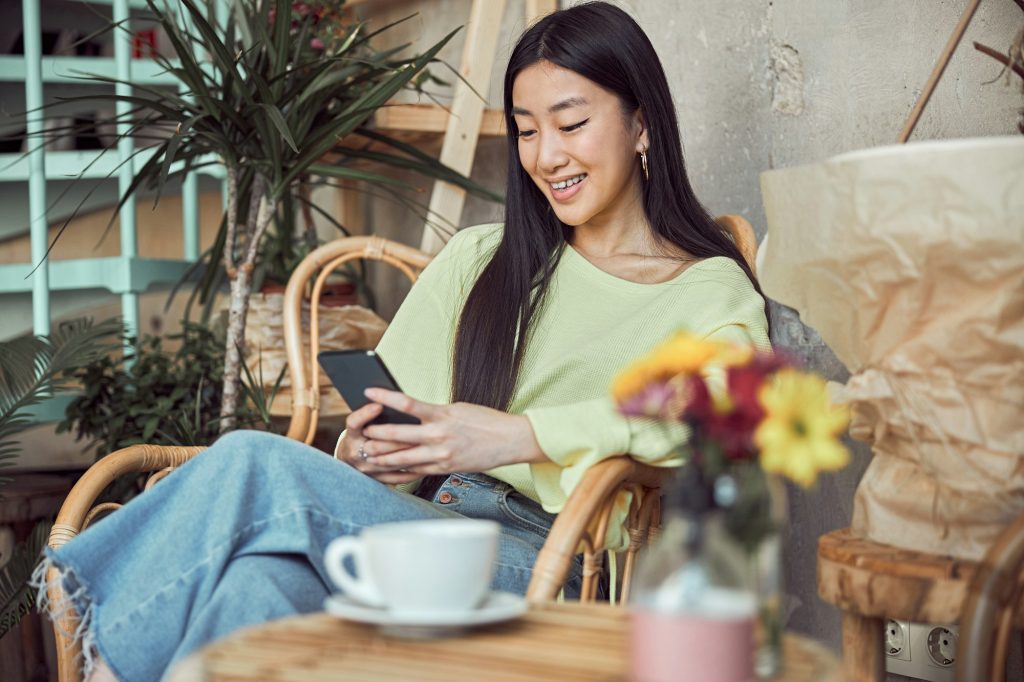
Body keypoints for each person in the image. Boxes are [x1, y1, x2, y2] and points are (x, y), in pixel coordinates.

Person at [35, 3, 771, 680]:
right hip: (421, 529)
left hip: (551, 562)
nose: (546, 155)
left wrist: (515, 437)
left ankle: (94, 640)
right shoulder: (481, 259)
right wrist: (367, 455)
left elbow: (727, 415)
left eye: (571, 123)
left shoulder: (703, 287)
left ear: (641, 124)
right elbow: (400, 421)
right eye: (525, 129)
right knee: (252, 589)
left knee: (252, 459)